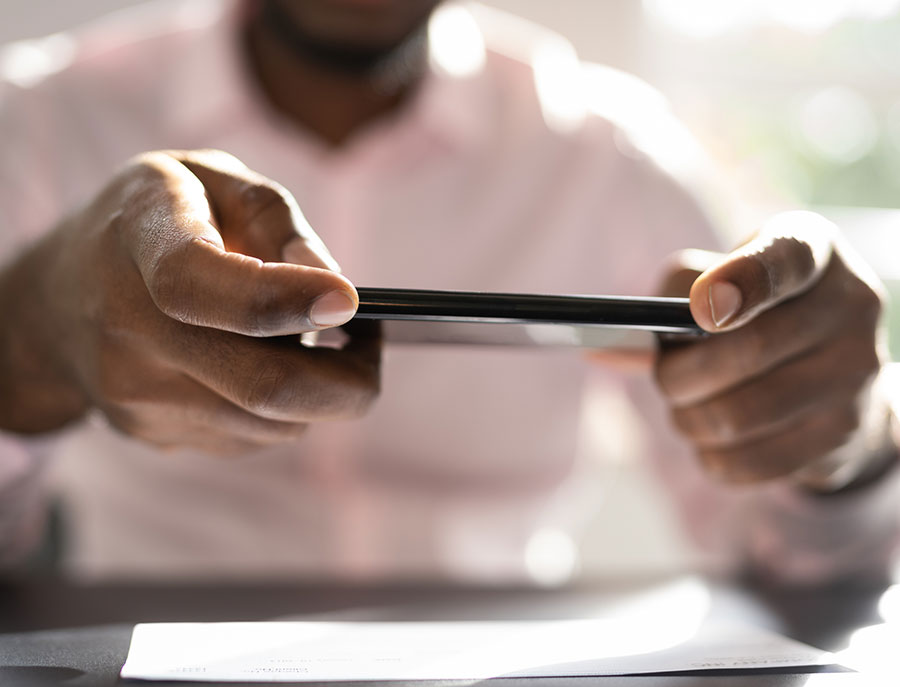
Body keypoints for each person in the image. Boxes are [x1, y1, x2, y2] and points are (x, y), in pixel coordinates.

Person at [0, 0, 897, 582]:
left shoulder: (605, 150)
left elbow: (797, 553)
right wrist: (26, 346)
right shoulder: (40, 119)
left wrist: (845, 445)